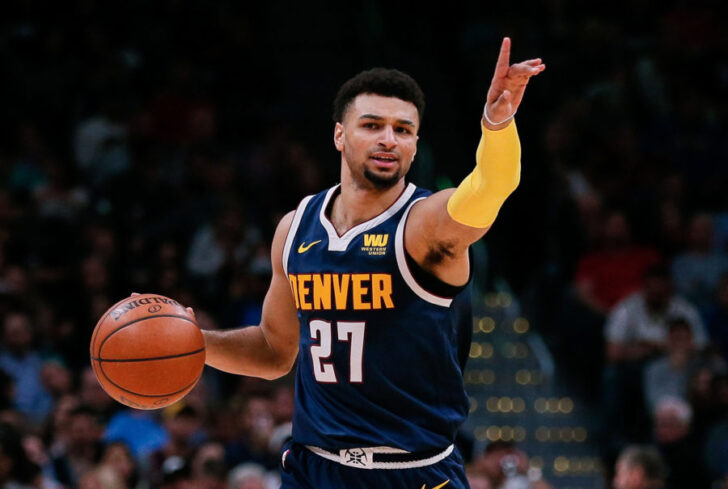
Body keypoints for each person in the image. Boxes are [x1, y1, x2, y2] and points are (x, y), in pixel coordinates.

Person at [198, 38, 544, 488]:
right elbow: (273, 350)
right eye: (372, 125)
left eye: (403, 130)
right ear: (340, 134)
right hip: (314, 467)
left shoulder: (425, 226)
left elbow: (490, 188)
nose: (388, 139)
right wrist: (197, 344)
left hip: (412, 472)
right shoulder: (295, 228)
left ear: (416, 146)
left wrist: (498, 122)